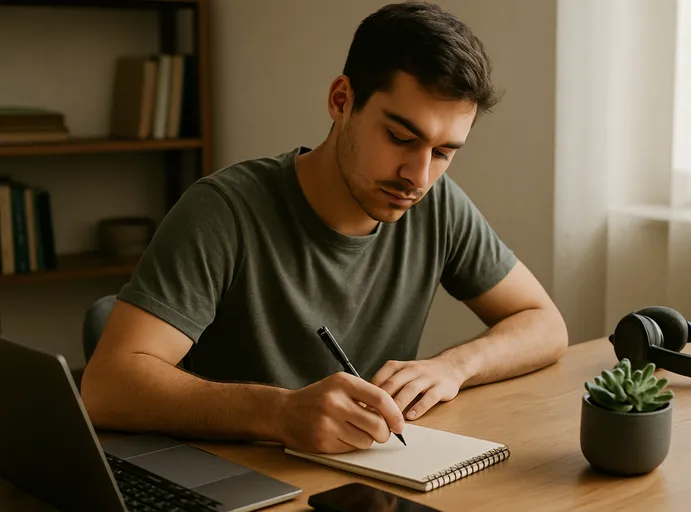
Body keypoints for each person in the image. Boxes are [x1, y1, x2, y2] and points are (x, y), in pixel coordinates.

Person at [81, 1, 568, 455]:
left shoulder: (437, 205)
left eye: (443, 153)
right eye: (400, 137)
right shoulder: (223, 211)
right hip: (242, 480)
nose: (418, 177)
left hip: (365, 479)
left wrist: (454, 366)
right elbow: (107, 388)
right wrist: (279, 413)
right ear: (341, 100)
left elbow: (544, 324)